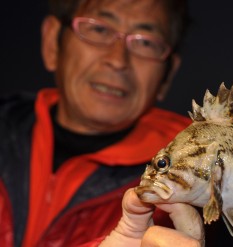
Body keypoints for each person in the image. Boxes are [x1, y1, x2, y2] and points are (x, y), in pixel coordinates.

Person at [0, 0, 204, 246]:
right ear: (52, 41)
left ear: (167, 76)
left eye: (145, 42)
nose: (118, 60)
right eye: (99, 29)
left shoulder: (198, 174)